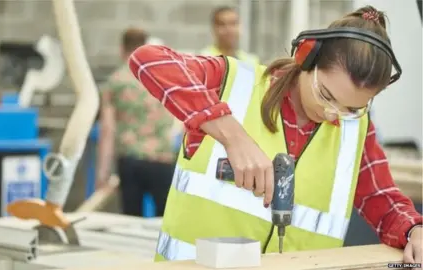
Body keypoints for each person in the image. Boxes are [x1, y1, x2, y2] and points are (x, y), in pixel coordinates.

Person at [129, 6, 423, 264]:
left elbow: (380, 197)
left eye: (351, 108)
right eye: (326, 95)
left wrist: (414, 230)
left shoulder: (355, 128)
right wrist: (233, 136)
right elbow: (148, 59)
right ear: (306, 58)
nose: (333, 114)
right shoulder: (233, 83)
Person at [97, 27, 176, 217]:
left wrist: (102, 172)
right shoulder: (162, 77)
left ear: (121, 48)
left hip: (131, 160)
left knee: (131, 221)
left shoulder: (115, 81)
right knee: (165, 222)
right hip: (162, 158)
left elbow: (108, 129)